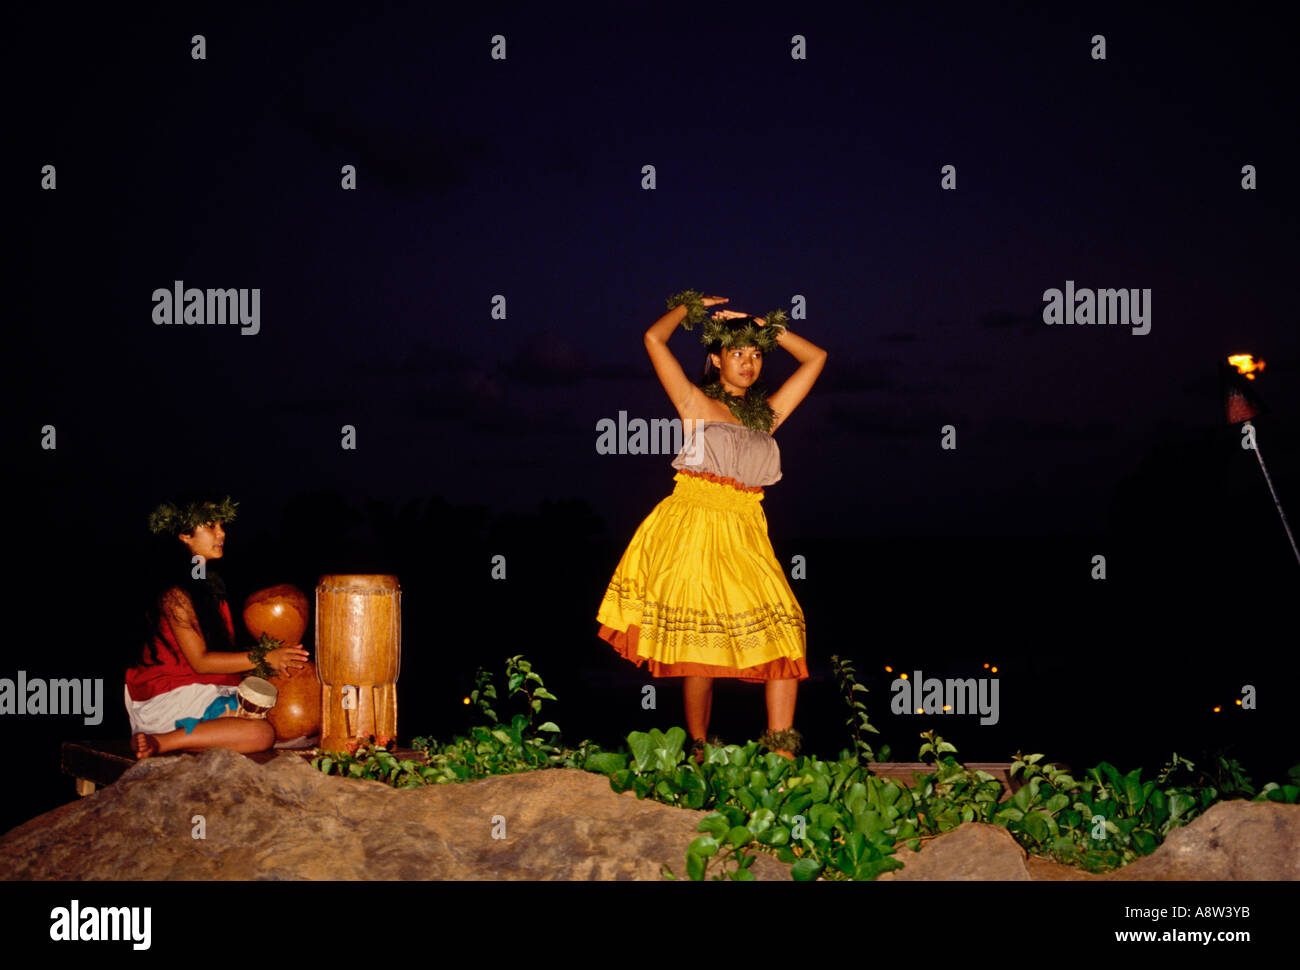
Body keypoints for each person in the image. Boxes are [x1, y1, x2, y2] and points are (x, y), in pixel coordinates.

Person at [596, 291, 828, 763]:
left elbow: (817, 357)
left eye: (756, 354)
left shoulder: (767, 416)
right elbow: (652, 338)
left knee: (785, 629)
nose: (748, 362)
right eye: (737, 352)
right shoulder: (694, 403)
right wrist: (688, 308)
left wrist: (768, 327)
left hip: (746, 529)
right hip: (694, 524)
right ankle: (698, 750)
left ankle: (780, 758)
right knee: (697, 637)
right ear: (716, 359)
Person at [125, 494, 309, 759]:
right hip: (170, 698)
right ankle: (160, 741)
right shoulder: (175, 596)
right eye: (211, 527)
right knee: (261, 734)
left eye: (222, 526)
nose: (221, 533)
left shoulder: (208, 588)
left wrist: (273, 662)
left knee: (277, 709)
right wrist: (264, 657)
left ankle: (198, 735)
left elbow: (219, 659)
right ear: (184, 536)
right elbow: (201, 662)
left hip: (204, 690)